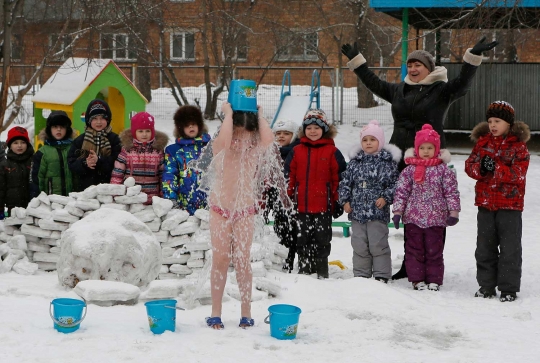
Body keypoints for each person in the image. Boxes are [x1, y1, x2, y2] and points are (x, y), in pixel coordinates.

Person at [341, 36, 498, 280]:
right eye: (410, 65)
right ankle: (410, 264)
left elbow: (463, 82)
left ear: (429, 69)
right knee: (408, 212)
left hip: (430, 160)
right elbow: (372, 82)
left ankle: (432, 262)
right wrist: (356, 61)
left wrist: (472, 57)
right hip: (401, 159)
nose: (413, 69)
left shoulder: (442, 90)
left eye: (419, 65)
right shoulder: (398, 90)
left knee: (434, 212)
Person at [198, 102, 290, 330]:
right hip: (219, 209)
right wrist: (229, 114)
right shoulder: (222, 147)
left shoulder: (255, 149)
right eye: (237, 138)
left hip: (245, 210)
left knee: (242, 260)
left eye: (248, 139)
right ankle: (215, 313)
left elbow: (268, 139)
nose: (241, 144)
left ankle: (246, 313)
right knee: (220, 260)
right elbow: (225, 139)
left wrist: (259, 114)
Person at [464, 101, 529, 302]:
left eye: (497, 121)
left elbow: (519, 173)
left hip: (510, 206)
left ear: (508, 123)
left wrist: (497, 168)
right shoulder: (482, 143)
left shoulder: (518, 146)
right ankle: (486, 286)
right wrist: (481, 169)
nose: (492, 125)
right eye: (490, 120)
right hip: (485, 204)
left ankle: (508, 288)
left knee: (510, 249)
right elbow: (469, 166)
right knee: (485, 247)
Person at [392, 124, 460, 291]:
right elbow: (401, 192)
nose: (426, 151)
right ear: (417, 149)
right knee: (414, 250)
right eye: (422, 148)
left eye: (430, 148)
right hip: (413, 218)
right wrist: (398, 211)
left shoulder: (443, 171)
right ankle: (417, 279)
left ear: (437, 149)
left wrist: (454, 212)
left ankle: (434, 279)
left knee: (434, 251)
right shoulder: (409, 171)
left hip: (436, 218)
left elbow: (451, 192)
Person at [284, 109, 346, 279]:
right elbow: (289, 176)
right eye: (309, 128)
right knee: (302, 238)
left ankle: (321, 270)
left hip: (323, 207)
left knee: (322, 239)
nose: (313, 131)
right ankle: (304, 269)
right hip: (301, 206)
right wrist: (288, 198)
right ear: (304, 130)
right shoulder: (296, 151)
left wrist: (338, 201)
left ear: (324, 129)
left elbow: (339, 179)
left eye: (317, 128)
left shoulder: (332, 152)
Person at [338, 120, 400, 282]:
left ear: (380, 141)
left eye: (372, 139)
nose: (368, 143)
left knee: (378, 244)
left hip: (377, 213)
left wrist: (385, 198)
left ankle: (381, 275)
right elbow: (345, 183)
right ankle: (361, 275)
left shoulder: (388, 163)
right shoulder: (354, 163)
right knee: (359, 245)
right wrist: (345, 200)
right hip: (357, 212)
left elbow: (395, 185)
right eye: (365, 140)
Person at [110, 111, 169, 204]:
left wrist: (163, 194)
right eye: (140, 131)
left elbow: (163, 175)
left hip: (152, 198)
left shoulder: (158, 151)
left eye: (148, 131)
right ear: (134, 132)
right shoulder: (127, 150)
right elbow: (118, 173)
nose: (144, 134)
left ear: (152, 132)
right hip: (131, 198)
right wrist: (115, 192)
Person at [162, 105, 211, 214]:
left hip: (209, 203)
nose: (191, 127)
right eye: (187, 125)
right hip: (184, 204)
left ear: (199, 125)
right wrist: (170, 198)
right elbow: (170, 174)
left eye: (193, 124)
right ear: (180, 128)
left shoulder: (210, 147)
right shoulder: (173, 151)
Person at [266, 119, 301, 272]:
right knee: (280, 230)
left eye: (286, 133)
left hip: (294, 198)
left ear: (293, 136)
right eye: (278, 133)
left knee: (293, 231)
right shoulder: (270, 152)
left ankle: (293, 260)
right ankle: (283, 261)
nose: (281, 136)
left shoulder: (297, 151)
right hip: (276, 197)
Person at [68, 99, 121, 192]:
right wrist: (85, 163)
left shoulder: (114, 139)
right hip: (84, 187)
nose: (99, 122)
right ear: (89, 120)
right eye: (95, 118)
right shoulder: (80, 140)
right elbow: (71, 162)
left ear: (108, 120)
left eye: (102, 118)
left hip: (108, 187)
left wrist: (99, 160)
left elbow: (118, 161)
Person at [31, 111, 75, 197]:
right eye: (55, 127)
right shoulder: (42, 152)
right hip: (51, 201)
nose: (59, 129)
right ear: (49, 129)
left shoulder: (74, 148)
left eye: (62, 127)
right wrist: (36, 198)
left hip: (72, 201)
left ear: (67, 129)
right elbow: (37, 179)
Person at [0, 127, 34, 218]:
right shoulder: (5, 165)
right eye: (15, 143)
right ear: (10, 145)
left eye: (23, 142)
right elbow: (1, 189)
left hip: (32, 207)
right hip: (13, 208)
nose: (19, 146)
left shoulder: (33, 162)